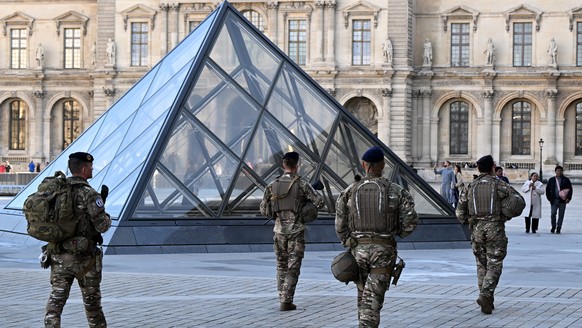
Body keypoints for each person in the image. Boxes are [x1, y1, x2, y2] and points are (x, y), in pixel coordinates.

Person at [335, 146, 418, 327]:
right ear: (383, 165)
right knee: (372, 299)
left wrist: (349, 241)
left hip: (358, 251)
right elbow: (410, 222)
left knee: (363, 295)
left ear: (364, 165)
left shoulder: (349, 191)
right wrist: (396, 234)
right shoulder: (396, 191)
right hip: (384, 250)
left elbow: (340, 224)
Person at [44, 152, 111, 327]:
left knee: (55, 303)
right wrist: (107, 216)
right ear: (84, 168)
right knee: (92, 304)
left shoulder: (57, 192)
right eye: (90, 167)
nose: (92, 169)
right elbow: (102, 226)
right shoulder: (89, 194)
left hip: (59, 255)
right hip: (85, 258)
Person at [456, 155, 524, 315]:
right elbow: (518, 201)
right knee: (494, 263)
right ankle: (485, 294)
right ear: (493, 167)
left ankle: (486, 300)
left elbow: (459, 213)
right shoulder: (499, 185)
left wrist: (470, 221)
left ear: (478, 168)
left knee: (481, 264)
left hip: (477, 230)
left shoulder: (469, 187)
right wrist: (505, 213)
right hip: (495, 229)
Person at [259, 151, 324, 311]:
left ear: (283, 165)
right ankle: (286, 300)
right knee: (293, 266)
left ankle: (282, 295)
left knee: (281, 265)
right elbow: (320, 202)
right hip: (296, 232)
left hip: (279, 232)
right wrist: (306, 203)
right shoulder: (302, 184)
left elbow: (263, 210)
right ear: (297, 165)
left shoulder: (272, 185)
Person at [545, 166, 573, 234]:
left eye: (560, 170)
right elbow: (547, 189)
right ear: (555, 171)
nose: (559, 172)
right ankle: (553, 226)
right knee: (553, 213)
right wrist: (549, 198)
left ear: (562, 171)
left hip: (562, 200)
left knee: (561, 214)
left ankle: (559, 227)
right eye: (558, 170)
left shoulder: (566, 180)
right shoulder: (551, 179)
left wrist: (568, 198)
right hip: (554, 200)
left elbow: (570, 189)